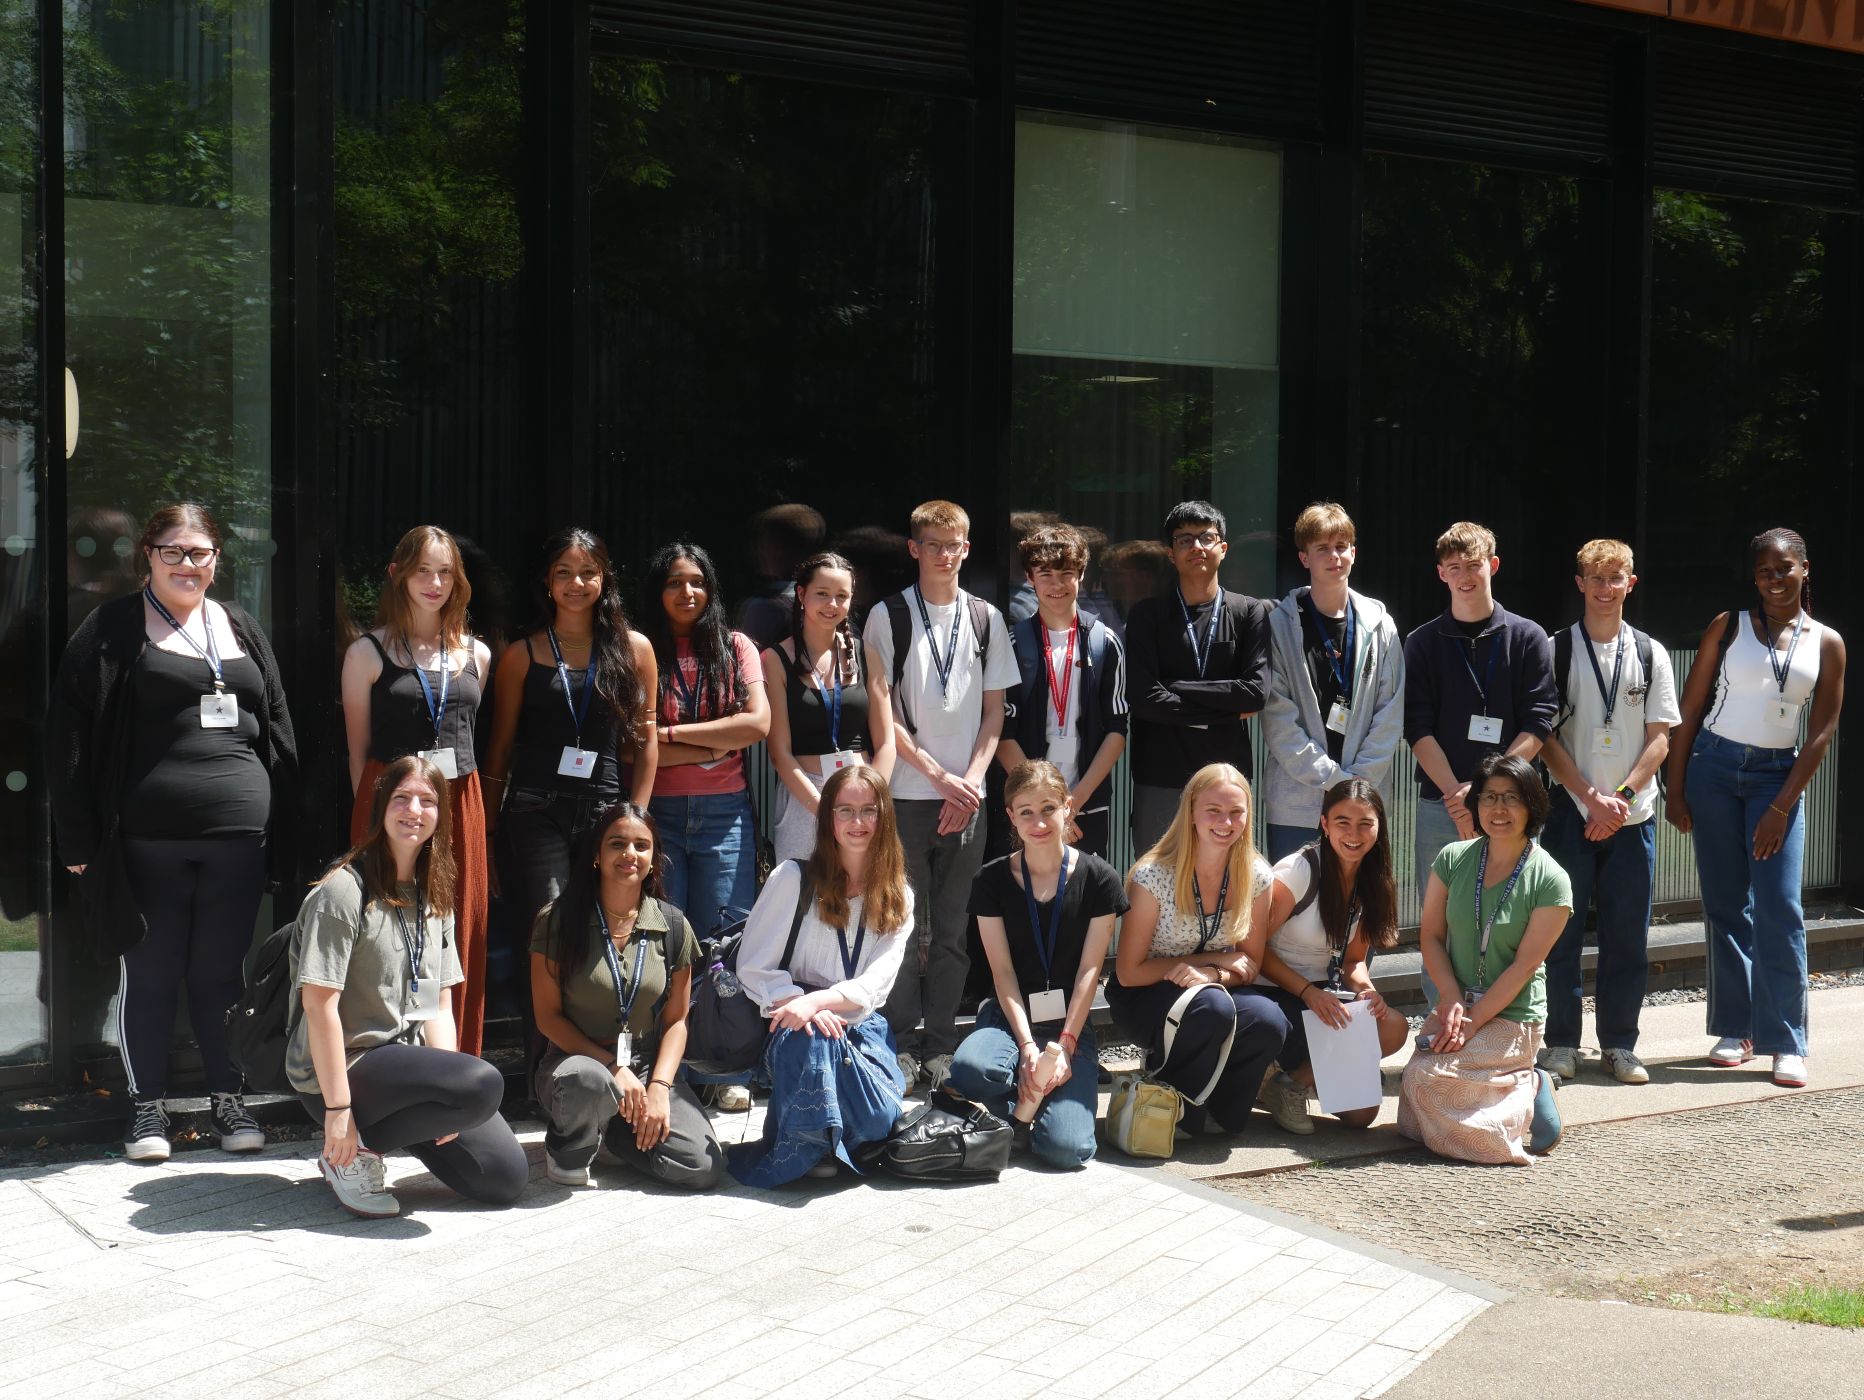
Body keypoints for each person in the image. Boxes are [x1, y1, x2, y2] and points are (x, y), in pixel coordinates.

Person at [49, 503, 299, 1163]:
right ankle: (147, 1111)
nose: (188, 564)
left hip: (239, 839)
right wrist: (77, 842)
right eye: (173, 552)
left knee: (221, 975)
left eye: (200, 552)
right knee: (153, 972)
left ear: (218, 559)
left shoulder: (239, 625)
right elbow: (70, 740)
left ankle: (228, 1100)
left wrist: (292, 826)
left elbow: (275, 720)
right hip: (146, 841)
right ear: (148, 557)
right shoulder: (110, 629)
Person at [287, 756, 528, 1217]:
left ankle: (391, 1133)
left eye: (427, 801)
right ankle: (348, 1150)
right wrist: (339, 1110)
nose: (413, 810)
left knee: (503, 1176)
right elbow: (319, 1008)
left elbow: (438, 1004)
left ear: (441, 816)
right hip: (345, 1066)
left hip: (405, 1067)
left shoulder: (435, 896)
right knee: (481, 1083)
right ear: (381, 807)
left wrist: (450, 1101)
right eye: (402, 798)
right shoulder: (343, 891)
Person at [1666, 528, 1844, 1089]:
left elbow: (1821, 731)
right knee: (1724, 904)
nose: (1774, 578)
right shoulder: (1729, 626)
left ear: (1805, 569)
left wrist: (1782, 805)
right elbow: (1688, 709)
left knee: (1781, 907)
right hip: (1714, 770)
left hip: (1777, 777)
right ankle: (1736, 1028)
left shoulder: (1828, 642)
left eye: (1784, 567)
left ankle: (1786, 1040)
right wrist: (1675, 786)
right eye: (1764, 570)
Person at [863, 500, 1019, 1092]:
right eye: (933, 544)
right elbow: (888, 715)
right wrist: (937, 776)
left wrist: (974, 781)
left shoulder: (985, 618)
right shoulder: (887, 615)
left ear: (967, 550)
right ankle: (900, 1041)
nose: (944, 555)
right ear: (914, 549)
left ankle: (941, 1044)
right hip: (908, 792)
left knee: (953, 927)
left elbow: (994, 715)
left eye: (954, 545)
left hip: (970, 799)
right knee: (900, 922)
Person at [339, 525, 496, 1056]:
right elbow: (358, 754)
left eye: (445, 571)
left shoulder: (477, 654)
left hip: (460, 806)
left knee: (456, 934)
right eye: (422, 570)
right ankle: (386, 1063)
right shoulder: (366, 652)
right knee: (389, 931)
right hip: (391, 806)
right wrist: (370, 824)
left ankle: (454, 1066)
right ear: (397, 574)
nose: (435, 582)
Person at [729, 765, 914, 1187]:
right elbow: (754, 965)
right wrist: (802, 1002)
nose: (858, 822)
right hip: (792, 1020)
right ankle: (807, 1149)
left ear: (884, 817)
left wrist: (821, 1001)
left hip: (858, 1025)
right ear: (827, 817)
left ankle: (835, 1138)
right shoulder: (793, 878)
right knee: (810, 1038)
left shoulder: (898, 894)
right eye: (845, 811)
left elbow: (875, 985)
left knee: (881, 1120)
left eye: (869, 811)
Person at [1538, 539, 1679, 1086]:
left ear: (1630, 584)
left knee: (1627, 936)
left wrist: (1618, 797)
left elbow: (1660, 737)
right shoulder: (1557, 650)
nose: (1604, 587)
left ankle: (1620, 1044)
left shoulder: (1651, 652)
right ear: (1579, 583)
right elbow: (1544, 737)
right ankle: (1561, 1044)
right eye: (1594, 578)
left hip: (1632, 816)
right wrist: (1588, 797)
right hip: (1569, 813)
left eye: (1614, 577)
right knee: (1561, 933)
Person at [530, 802, 724, 1189]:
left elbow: (676, 1022)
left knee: (700, 1167)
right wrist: (610, 1067)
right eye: (617, 844)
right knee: (586, 1080)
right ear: (598, 856)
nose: (629, 855)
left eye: (641, 845)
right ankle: (570, 1144)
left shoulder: (672, 924)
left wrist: (659, 1088)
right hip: (576, 1062)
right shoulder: (557, 920)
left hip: (646, 1064)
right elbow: (548, 1018)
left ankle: (613, 1134)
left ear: (654, 859)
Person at [950, 761, 1126, 1168]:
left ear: (1068, 807)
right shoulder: (991, 880)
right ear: (1011, 816)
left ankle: (1022, 1110)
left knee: (1067, 1150)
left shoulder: (1100, 878)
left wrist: (1064, 1046)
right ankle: (1020, 1097)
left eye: (1048, 808)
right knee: (972, 1068)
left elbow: (1089, 972)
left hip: (1070, 1025)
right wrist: (1029, 1047)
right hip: (1009, 1021)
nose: (1039, 821)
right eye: (1026, 811)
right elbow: (1003, 973)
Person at [1398, 754, 1572, 1165]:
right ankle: (1518, 1085)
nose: (1499, 809)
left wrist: (1473, 1022)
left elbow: (1524, 966)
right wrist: (1452, 1000)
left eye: (1511, 798)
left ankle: (1526, 1085)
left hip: (1513, 1013)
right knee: (1414, 1094)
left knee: (1429, 1082)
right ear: (1475, 804)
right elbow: (1432, 937)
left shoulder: (1551, 879)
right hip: (1458, 1005)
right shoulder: (1453, 858)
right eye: (1489, 797)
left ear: (1532, 805)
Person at [482, 528, 657, 934]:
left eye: (587, 572)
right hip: (536, 808)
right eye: (563, 572)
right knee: (551, 926)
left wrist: (636, 817)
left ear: (604, 578)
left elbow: (647, 742)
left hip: (605, 808)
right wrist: (488, 833)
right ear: (547, 581)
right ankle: (546, 1001)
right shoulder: (521, 654)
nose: (575, 583)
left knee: (607, 924)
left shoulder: (635, 650)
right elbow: (500, 747)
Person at [1108, 764, 1288, 1138]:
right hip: (1145, 992)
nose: (1226, 822)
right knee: (1211, 1007)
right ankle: (1173, 1109)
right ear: (1191, 812)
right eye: (1213, 810)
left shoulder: (1257, 875)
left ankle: (1221, 1112)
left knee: (1269, 1018)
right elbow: (1128, 972)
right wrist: (1216, 962)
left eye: (1236, 812)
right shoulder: (1152, 875)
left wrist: (1213, 975)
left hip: (1212, 988)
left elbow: (1250, 963)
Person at [1401, 522, 1559, 901]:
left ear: (1494, 565)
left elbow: (1540, 720)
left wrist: (1489, 791)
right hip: (1443, 805)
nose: (1464, 576)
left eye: (1473, 564)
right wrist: (1459, 798)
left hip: (1514, 801)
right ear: (1441, 574)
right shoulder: (1421, 642)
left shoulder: (1528, 637)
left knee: (1514, 916)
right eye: (1454, 567)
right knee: (1441, 923)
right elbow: (1416, 727)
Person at [1252, 778, 1410, 1133]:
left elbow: (1354, 962)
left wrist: (1367, 990)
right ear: (1324, 824)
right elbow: (1253, 950)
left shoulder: (1376, 881)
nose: (1354, 834)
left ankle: (1287, 1083)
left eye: (1365, 823)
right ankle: (1278, 1077)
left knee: (1363, 1110)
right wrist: (1308, 993)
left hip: (1322, 994)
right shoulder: (1298, 870)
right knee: (1359, 1102)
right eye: (1342, 822)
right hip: (1272, 993)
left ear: (1379, 826)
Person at [1123, 501, 1272, 855]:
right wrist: (1224, 709)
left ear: (1223, 547)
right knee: (1154, 884)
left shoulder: (1249, 612)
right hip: (1160, 775)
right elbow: (1143, 699)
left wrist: (1176, 686)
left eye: (1206, 537)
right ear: (1170, 554)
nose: (1196, 547)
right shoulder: (1146, 615)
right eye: (1184, 540)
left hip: (1226, 778)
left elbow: (1253, 694)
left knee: (1225, 883)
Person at [1263, 502, 1405, 861]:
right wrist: (1335, 781)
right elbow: (1278, 718)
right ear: (1304, 558)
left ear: (1354, 553)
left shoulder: (1380, 624)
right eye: (1322, 548)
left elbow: (1391, 710)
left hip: (1365, 803)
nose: (1334, 556)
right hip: (1297, 804)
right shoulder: (1278, 625)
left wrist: (1357, 783)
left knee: (1361, 907)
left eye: (1341, 546)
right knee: (1295, 909)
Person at [642, 542, 769, 933]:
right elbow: (631, 751)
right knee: (661, 937)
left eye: (697, 582)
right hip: (657, 811)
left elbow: (759, 724)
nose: (687, 593)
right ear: (656, 590)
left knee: (726, 936)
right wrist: (718, 744)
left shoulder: (735, 646)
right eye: (675, 582)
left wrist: (667, 735)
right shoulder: (638, 649)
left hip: (725, 813)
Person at [997, 524, 1128, 859]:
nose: (1056, 584)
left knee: (1083, 899)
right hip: (1026, 806)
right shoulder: (1012, 644)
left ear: (1081, 576)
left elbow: (1116, 731)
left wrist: (1071, 805)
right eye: (1045, 574)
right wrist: (1044, 807)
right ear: (1029, 577)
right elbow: (1001, 732)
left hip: (1087, 802)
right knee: (1026, 896)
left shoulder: (1104, 642)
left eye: (1066, 573)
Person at [763, 551, 896, 862]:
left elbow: (887, 742)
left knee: (861, 900)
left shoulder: (867, 655)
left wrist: (869, 799)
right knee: (803, 897)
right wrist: (823, 808)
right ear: (801, 594)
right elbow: (779, 752)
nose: (832, 604)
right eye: (822, 594)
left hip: (863, 792)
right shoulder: (776, 660)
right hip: (805, 796)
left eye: (842, 596)